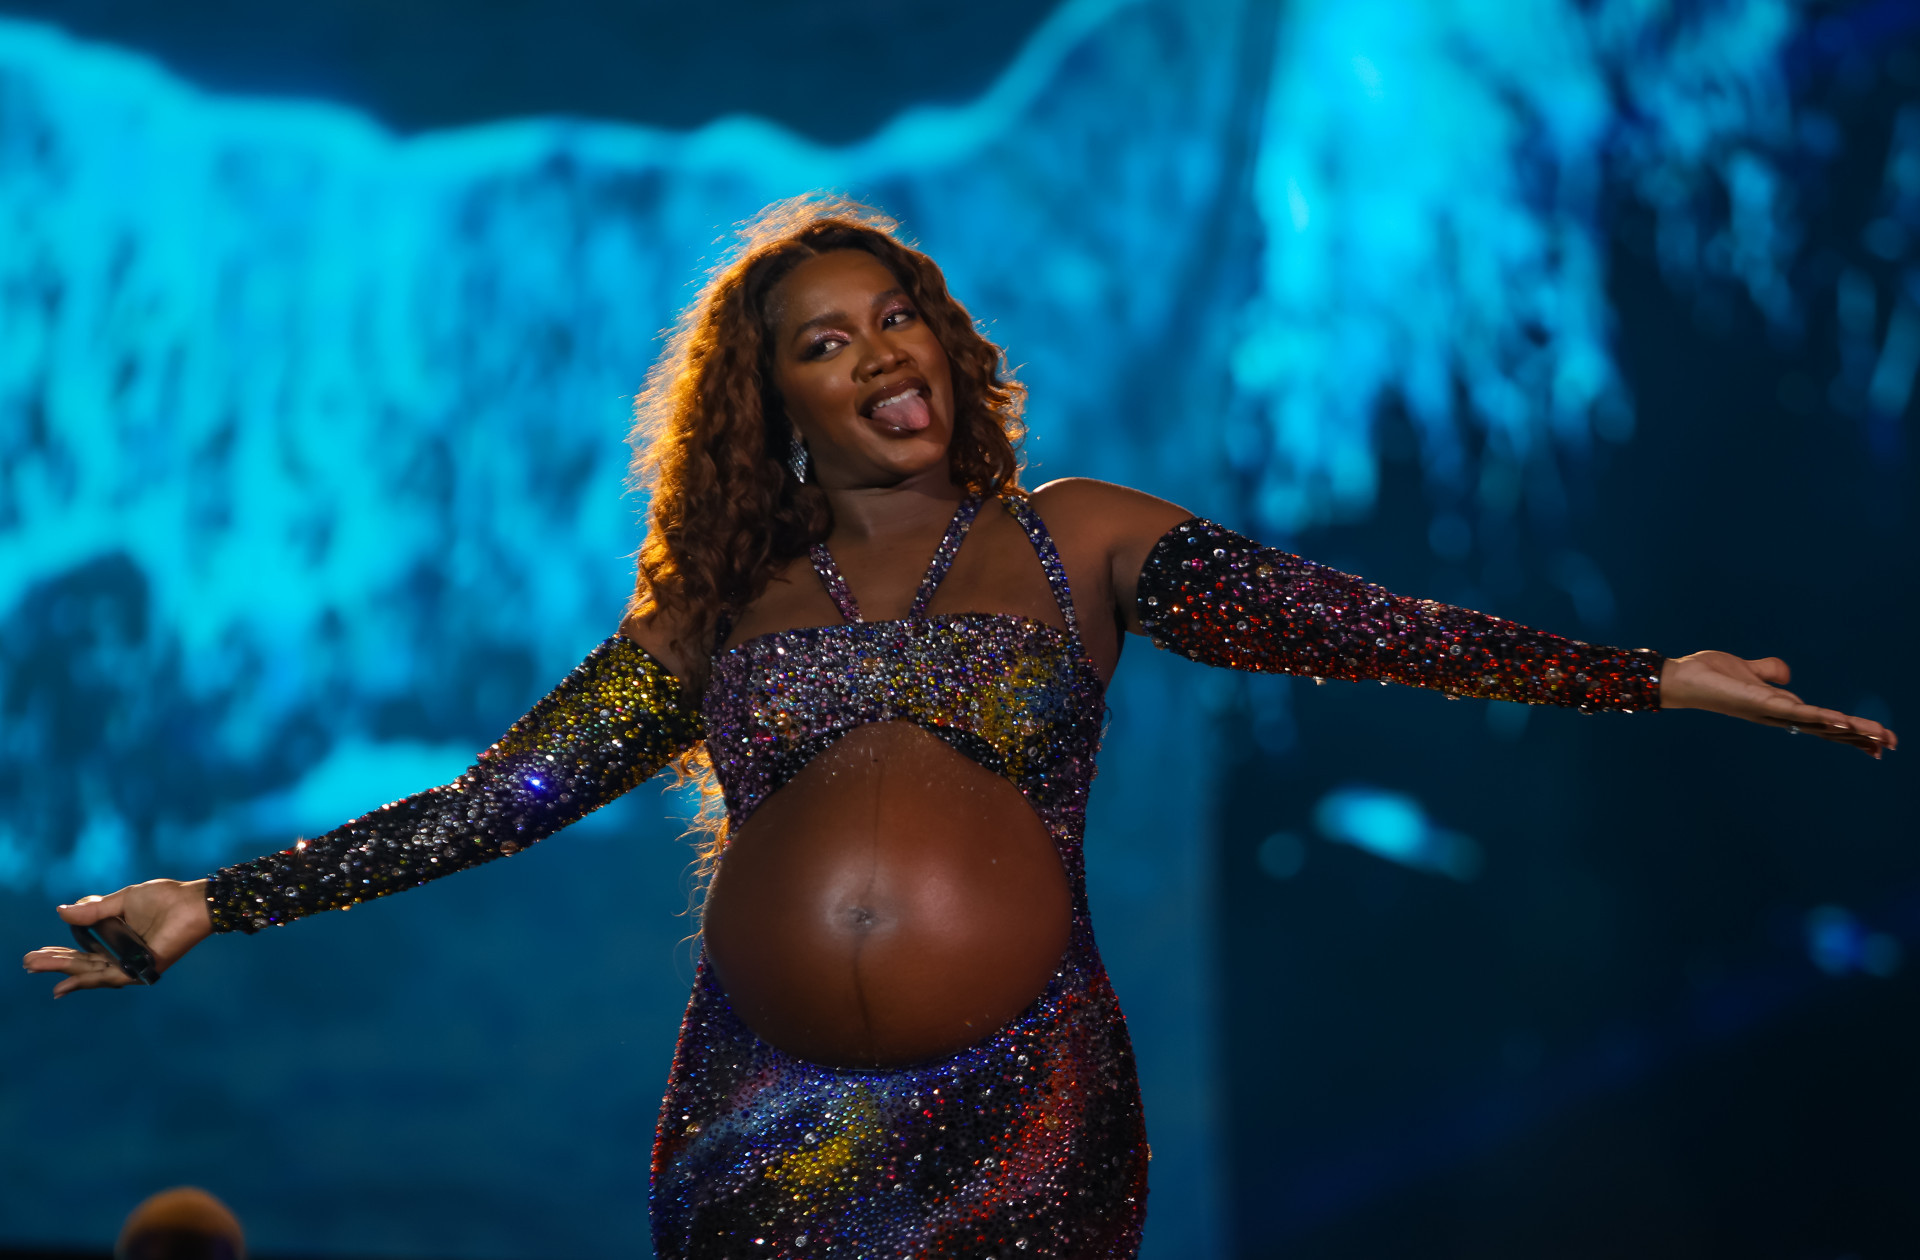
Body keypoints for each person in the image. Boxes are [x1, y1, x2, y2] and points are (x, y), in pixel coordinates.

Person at [25, 196, 1896, 1259]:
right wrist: (227, 901)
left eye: (896, 312)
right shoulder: (707, 619)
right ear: (772, 415)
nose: (879, 351)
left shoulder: (1074, 534)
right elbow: (497, 798)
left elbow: (1358, 624)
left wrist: (1641, 678)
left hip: (1029, 1116)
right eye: (825, 342)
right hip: (759, 1127)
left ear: (947, 341)